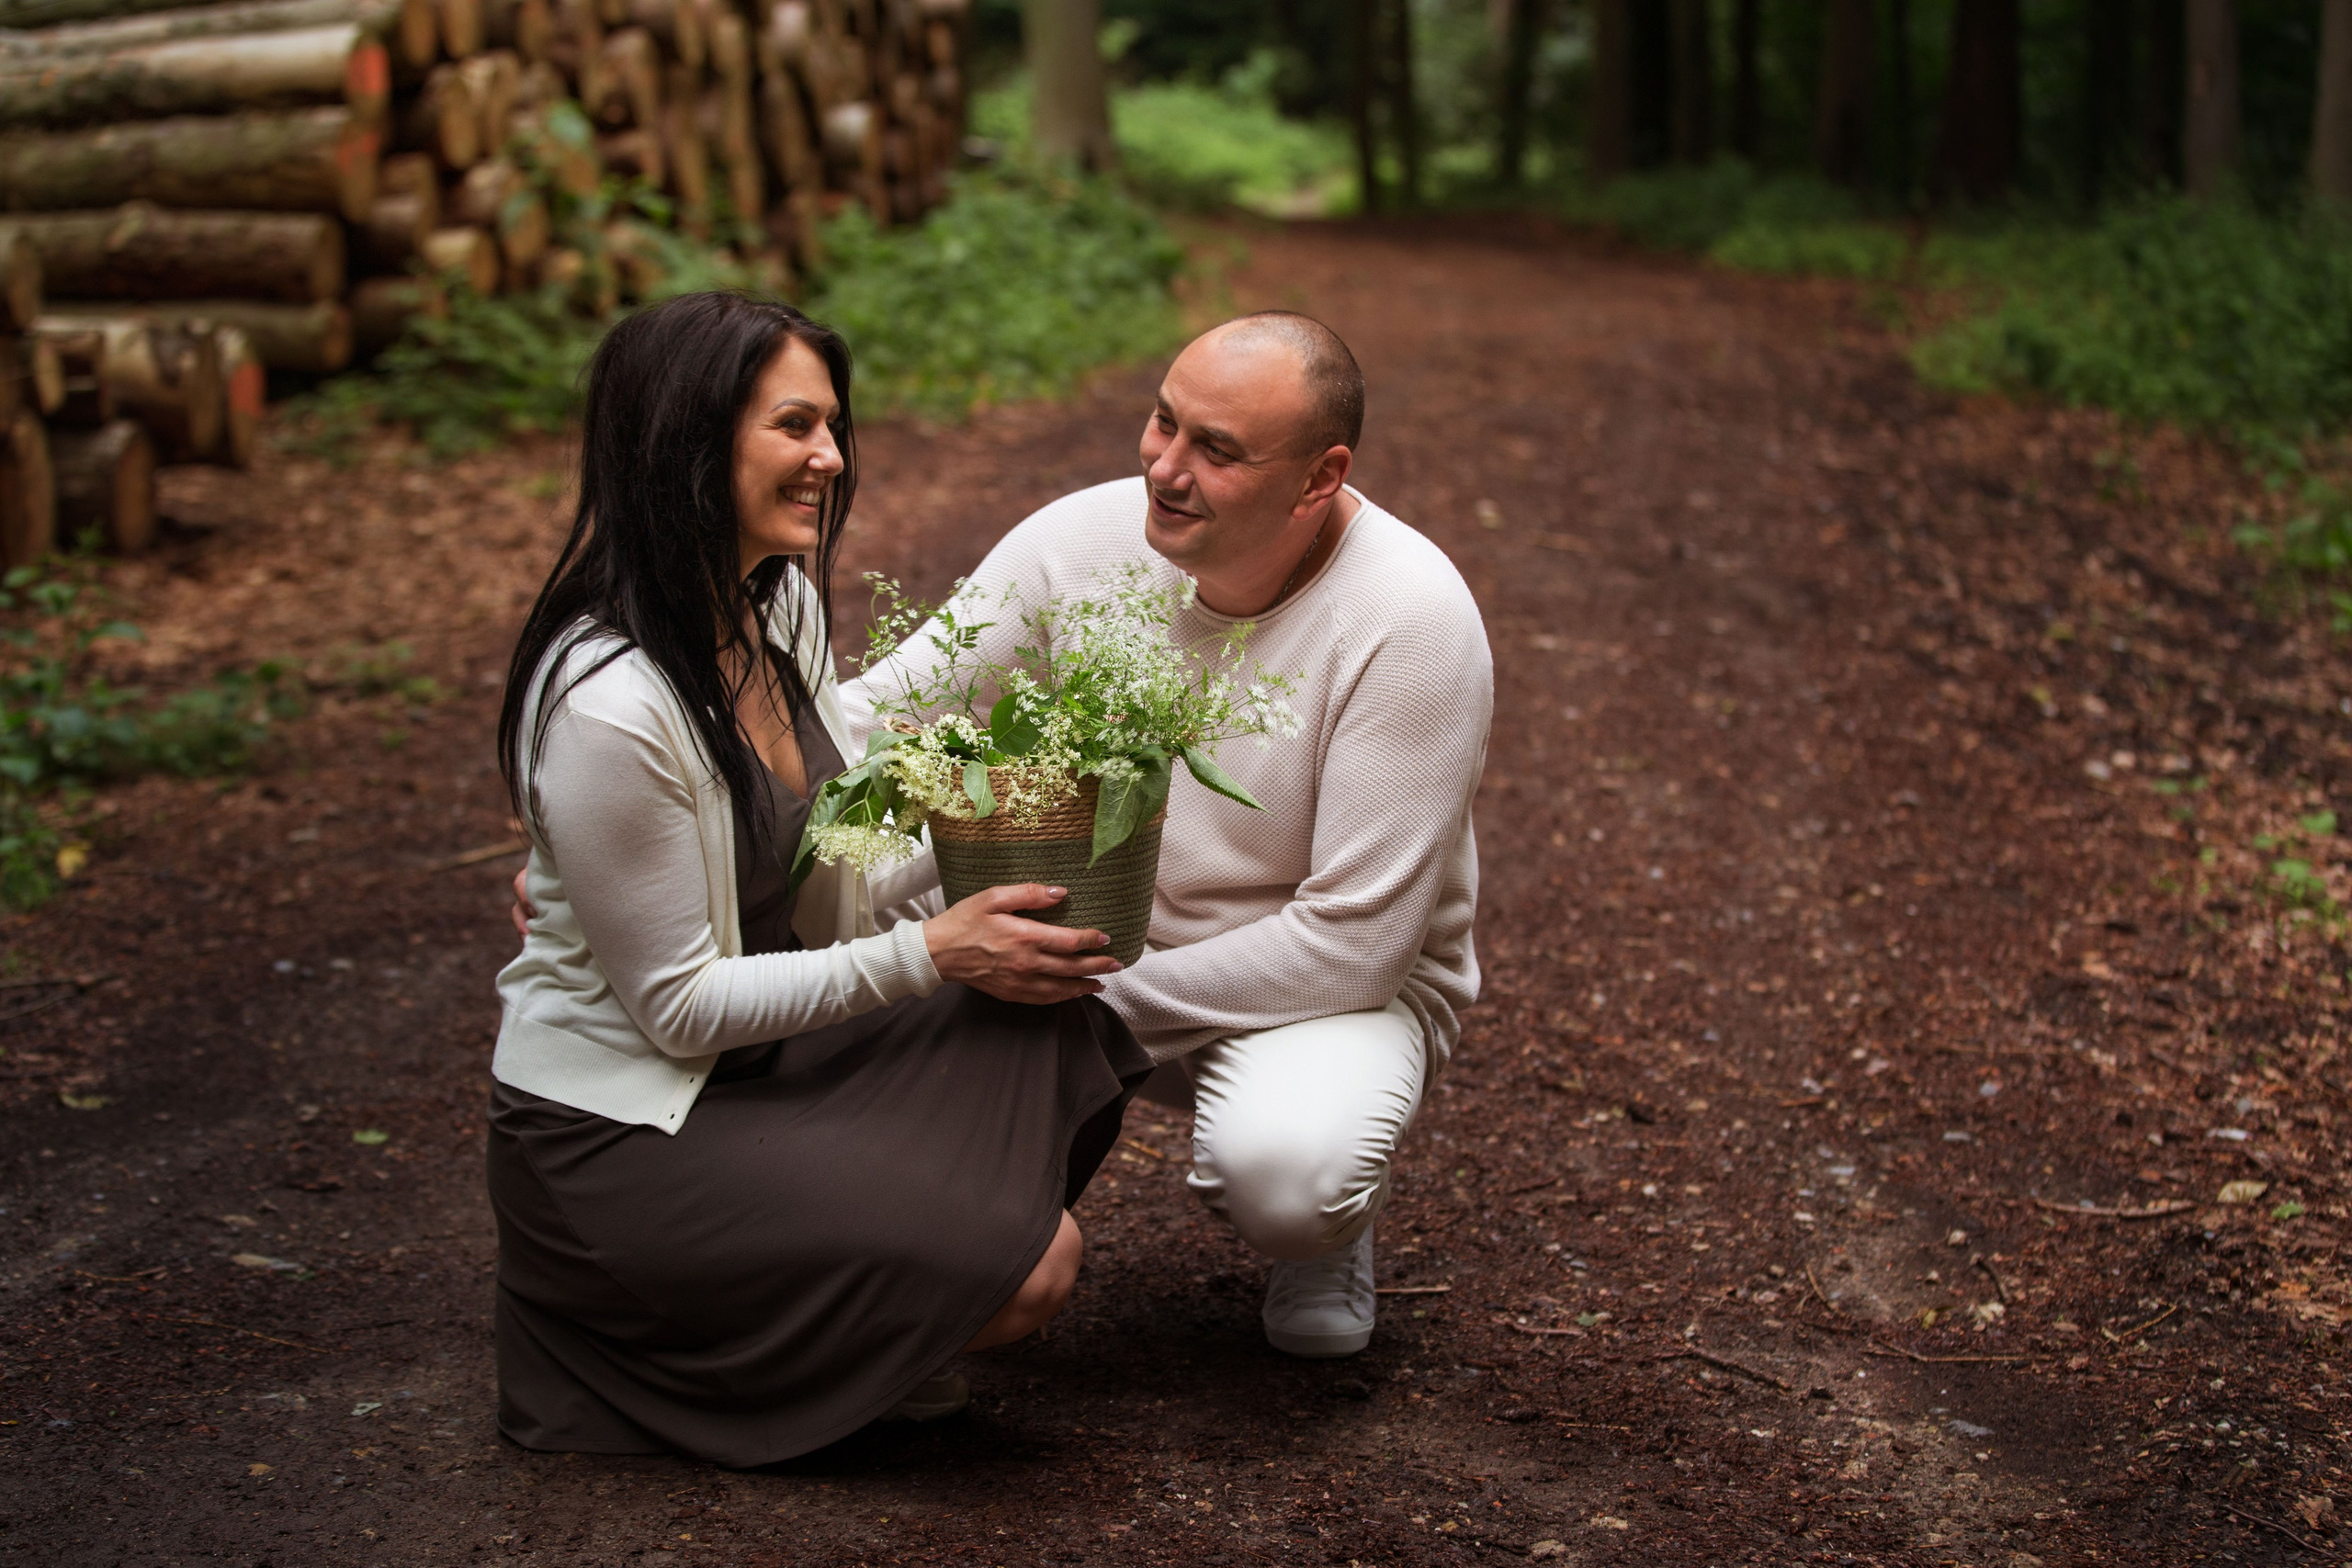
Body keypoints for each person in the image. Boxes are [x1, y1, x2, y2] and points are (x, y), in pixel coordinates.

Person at [487, 290, 1151, 1469]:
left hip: (763, 1054)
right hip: (626, 1123)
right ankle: (724, 1341)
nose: (831, 460)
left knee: (1054, 1015)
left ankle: (865, 1309)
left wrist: (997, 838)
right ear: (687, 440)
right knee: (1033, 1269)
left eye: (832, 426)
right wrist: (933, 953)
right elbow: (678, 1010)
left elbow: (821, 854)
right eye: (795, 426)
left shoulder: (774, 598)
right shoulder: (607, 703)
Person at [842, 312, 1493, 1358]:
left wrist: (1066, 994)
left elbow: (1356, 946)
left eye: (1217, 450)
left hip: (1308, 989)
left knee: (1290, 1177)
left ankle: (1322, 1236)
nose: (1165, 469)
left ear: (1320, 478)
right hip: (1082, 921)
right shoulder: (1082, 541)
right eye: (1162, 423)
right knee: (813, 907)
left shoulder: (1410, 621)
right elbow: (884, 720)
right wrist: (667, 827)